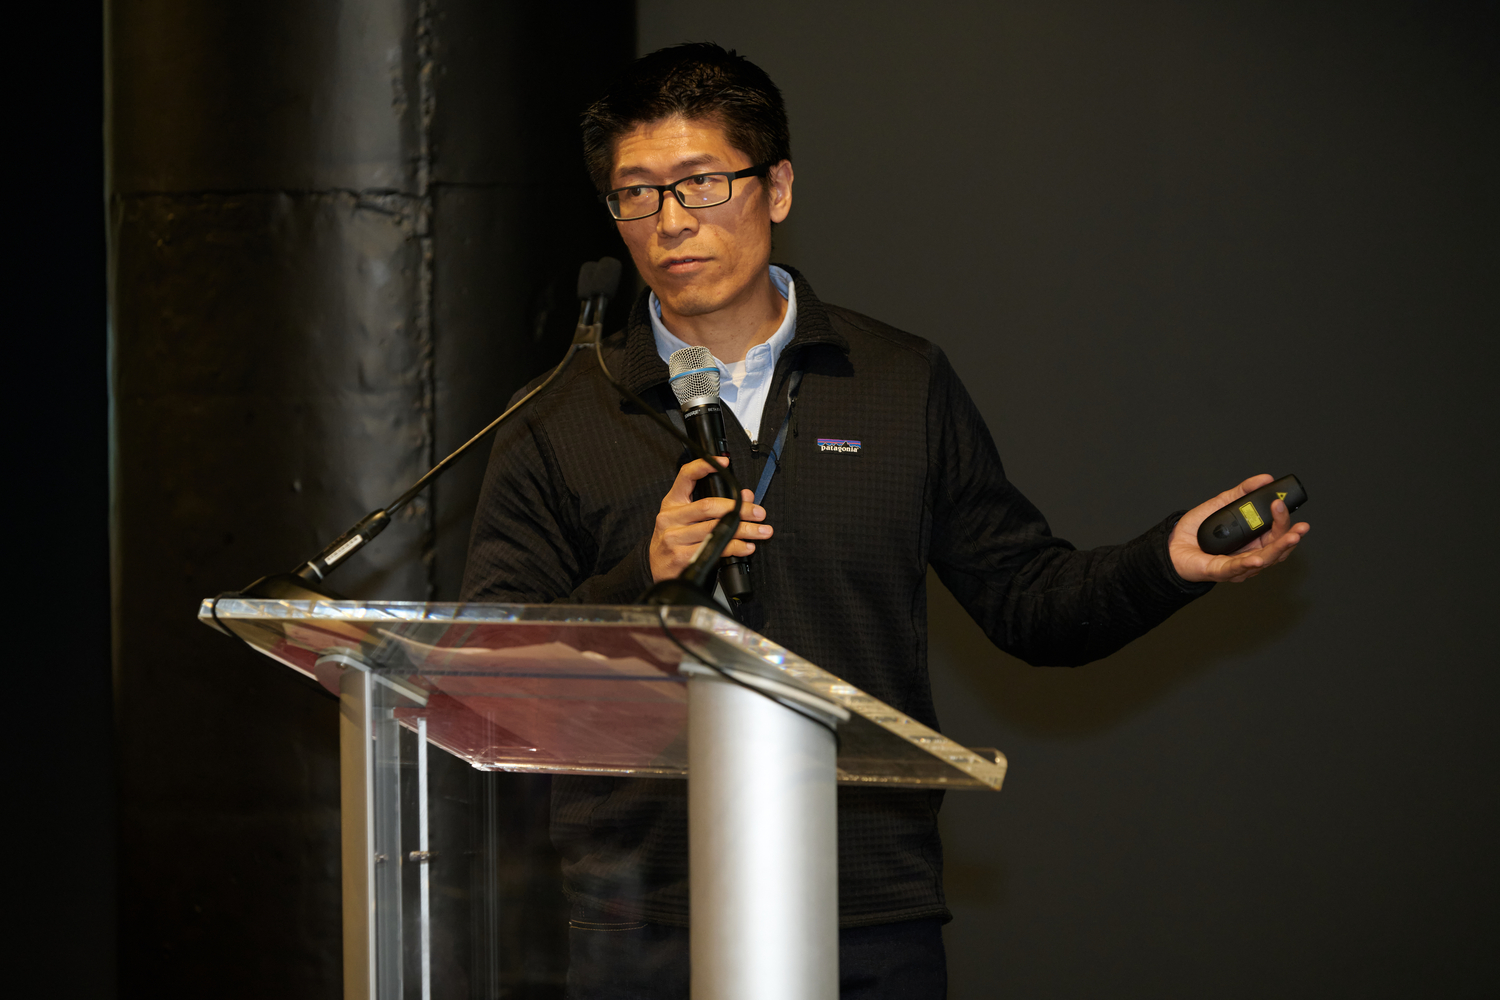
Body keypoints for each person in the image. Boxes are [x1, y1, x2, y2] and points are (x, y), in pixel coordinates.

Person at [462, 42, 1309, 1000]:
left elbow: (1029, 602)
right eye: (637, 194)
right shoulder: (556, 418)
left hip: (864, 911)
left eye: (701, 183)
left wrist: (1168, 563)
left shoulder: (900, 383)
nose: (671, 221)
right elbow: (498, 682)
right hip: (646, 919)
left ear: (778, 187)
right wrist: (638, 580)